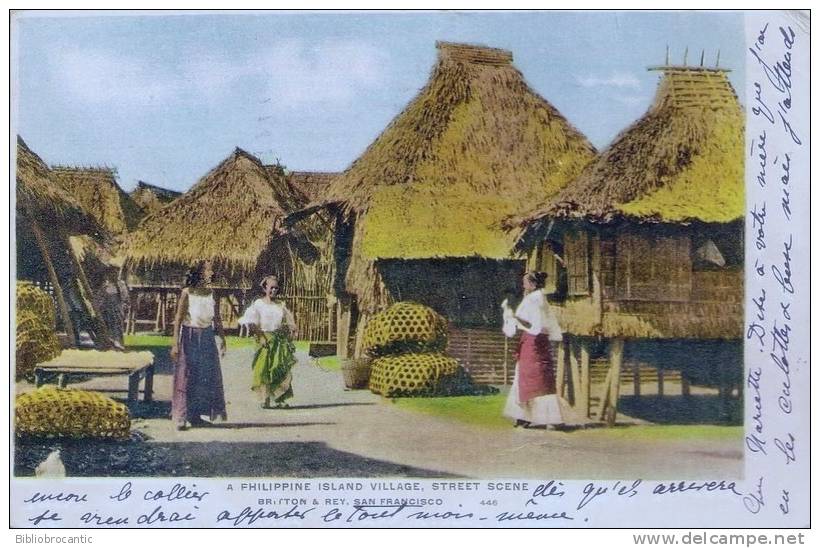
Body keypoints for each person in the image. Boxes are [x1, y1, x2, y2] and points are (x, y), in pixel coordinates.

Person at [501, 271, 565, 429]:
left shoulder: (535, 300)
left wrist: (513, 317)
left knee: (536, 378)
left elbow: (534, 326)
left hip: (534, 342)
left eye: (525, 282)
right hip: (533, 342)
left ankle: (545, 418)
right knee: (533, 378)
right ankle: (525, 417)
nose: (523, 285)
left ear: (533, 284)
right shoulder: (536, 298)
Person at [170, 261, 228, 430]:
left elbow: (217, 319)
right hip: (190, 336)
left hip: (208, 337)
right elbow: (178, 320)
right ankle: (181, 416)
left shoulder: (211, 294)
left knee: (205, 376)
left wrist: (223, 339)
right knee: (186, 375)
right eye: (208, 270)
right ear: (200, 273)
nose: (211, 273)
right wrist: (175, 344)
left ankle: (196, 416)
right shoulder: (187, 293)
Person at [238, 275, 298, 409]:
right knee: (263, 369)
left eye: (276, 288)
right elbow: (252, 322)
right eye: (271, 288)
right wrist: (260, 336)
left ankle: (279, 398)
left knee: (279, 368)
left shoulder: (280, 305)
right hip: (263, 338)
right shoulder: (258, 304)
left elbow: (289, 319)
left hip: (278, 340)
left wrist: (292, 328)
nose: (274, 291)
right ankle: (264, 398)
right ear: (265, 288)